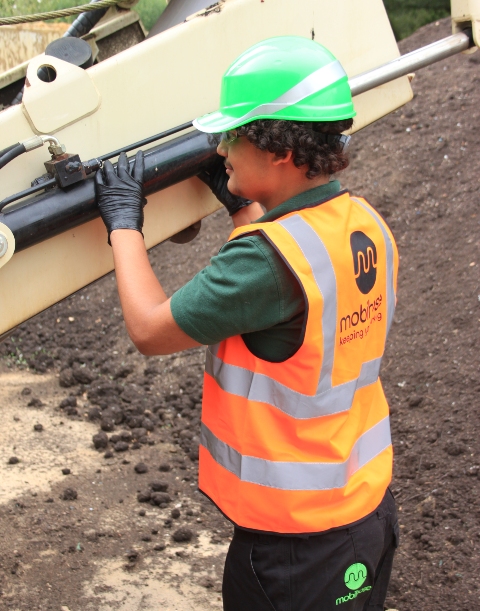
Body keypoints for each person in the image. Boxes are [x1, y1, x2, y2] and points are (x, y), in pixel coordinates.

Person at [96, 36, 399, 611]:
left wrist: (122, 222)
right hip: (363, 509)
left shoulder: (265, 261)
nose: (220, 146)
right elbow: (291, 294)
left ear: (279, 151)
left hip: (296, 550)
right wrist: (242, 205)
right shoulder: (361, 223)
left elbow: (149, 330)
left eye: (232, 133)